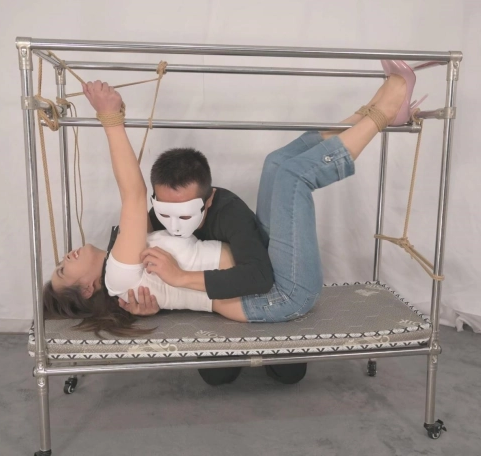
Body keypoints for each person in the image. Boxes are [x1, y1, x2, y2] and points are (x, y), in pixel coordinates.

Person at [43, 60, 418, 384]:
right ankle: (386, 110)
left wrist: (163, 297)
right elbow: (134, 195)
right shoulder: (118, 275)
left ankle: (372, 109)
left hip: (265, 278)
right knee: (293, 177)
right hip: (279, 294)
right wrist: (111, 119)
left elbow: (160, 255)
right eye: (63, 269)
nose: (66, 256)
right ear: (88, 289)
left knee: (277, 164)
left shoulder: (126, 263)